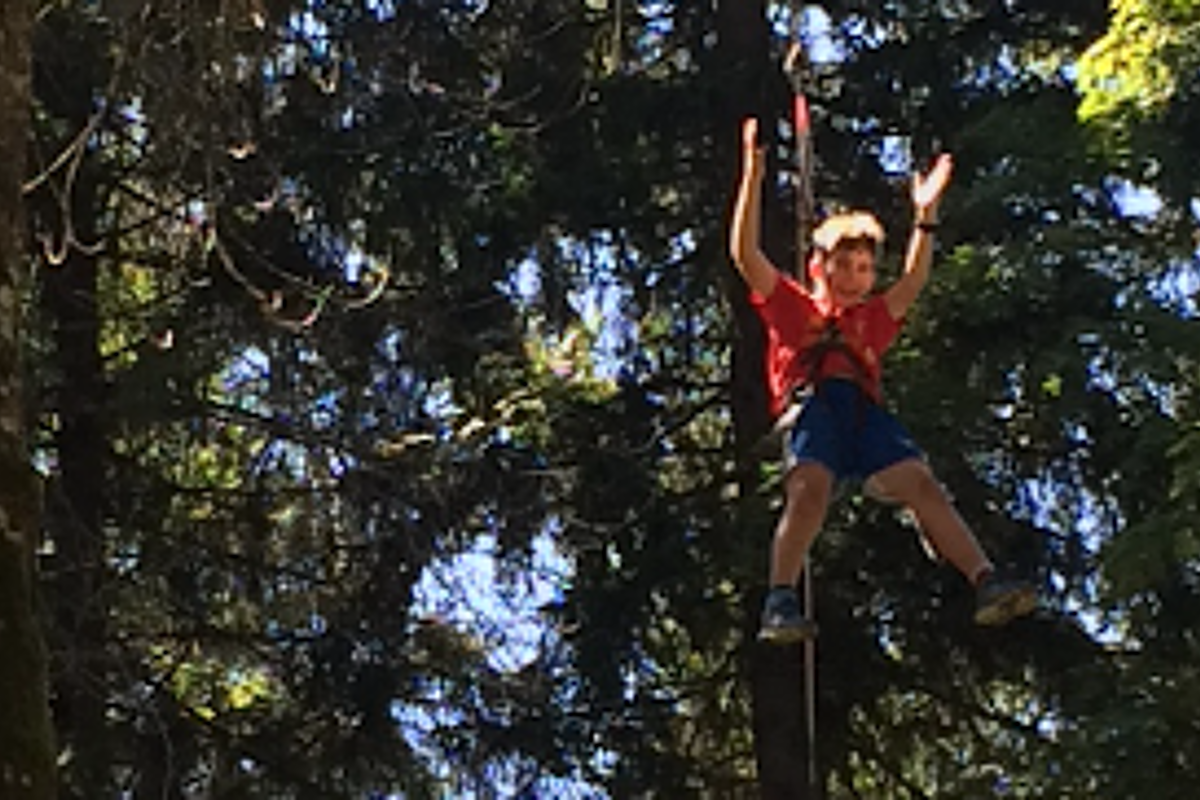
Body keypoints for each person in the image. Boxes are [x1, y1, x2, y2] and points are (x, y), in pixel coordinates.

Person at [729, 117, 1036, 643]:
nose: (855, 279)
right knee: (809, 489)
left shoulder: (871, 319)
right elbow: (745, 255)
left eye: (865, 269)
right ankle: (780, 598)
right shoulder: (793, 308)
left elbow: (913, 280)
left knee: (921, 483)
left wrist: (925, 217)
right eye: (844, 266)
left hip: (863, 413)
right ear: (819, 267)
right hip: (816, 408)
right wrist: (753, 177)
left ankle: (985, 580)